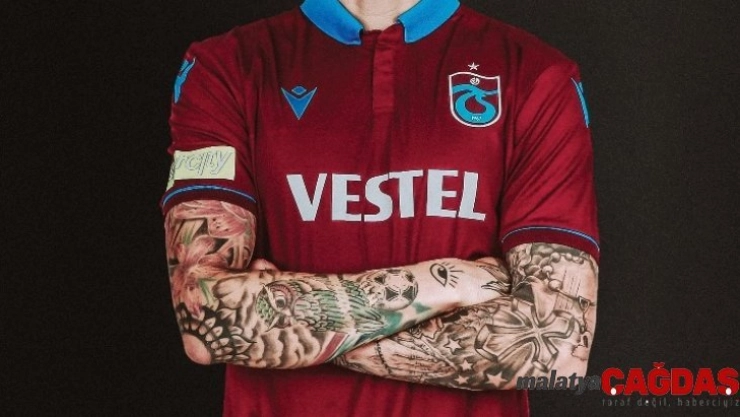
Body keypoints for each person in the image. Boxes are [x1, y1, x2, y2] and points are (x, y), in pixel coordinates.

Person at [161, 0, 599, 415]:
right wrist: (447, 281)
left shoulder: (535, 73)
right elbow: (206, 321)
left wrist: (286, 326)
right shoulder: (226, 67)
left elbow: (558, 346)